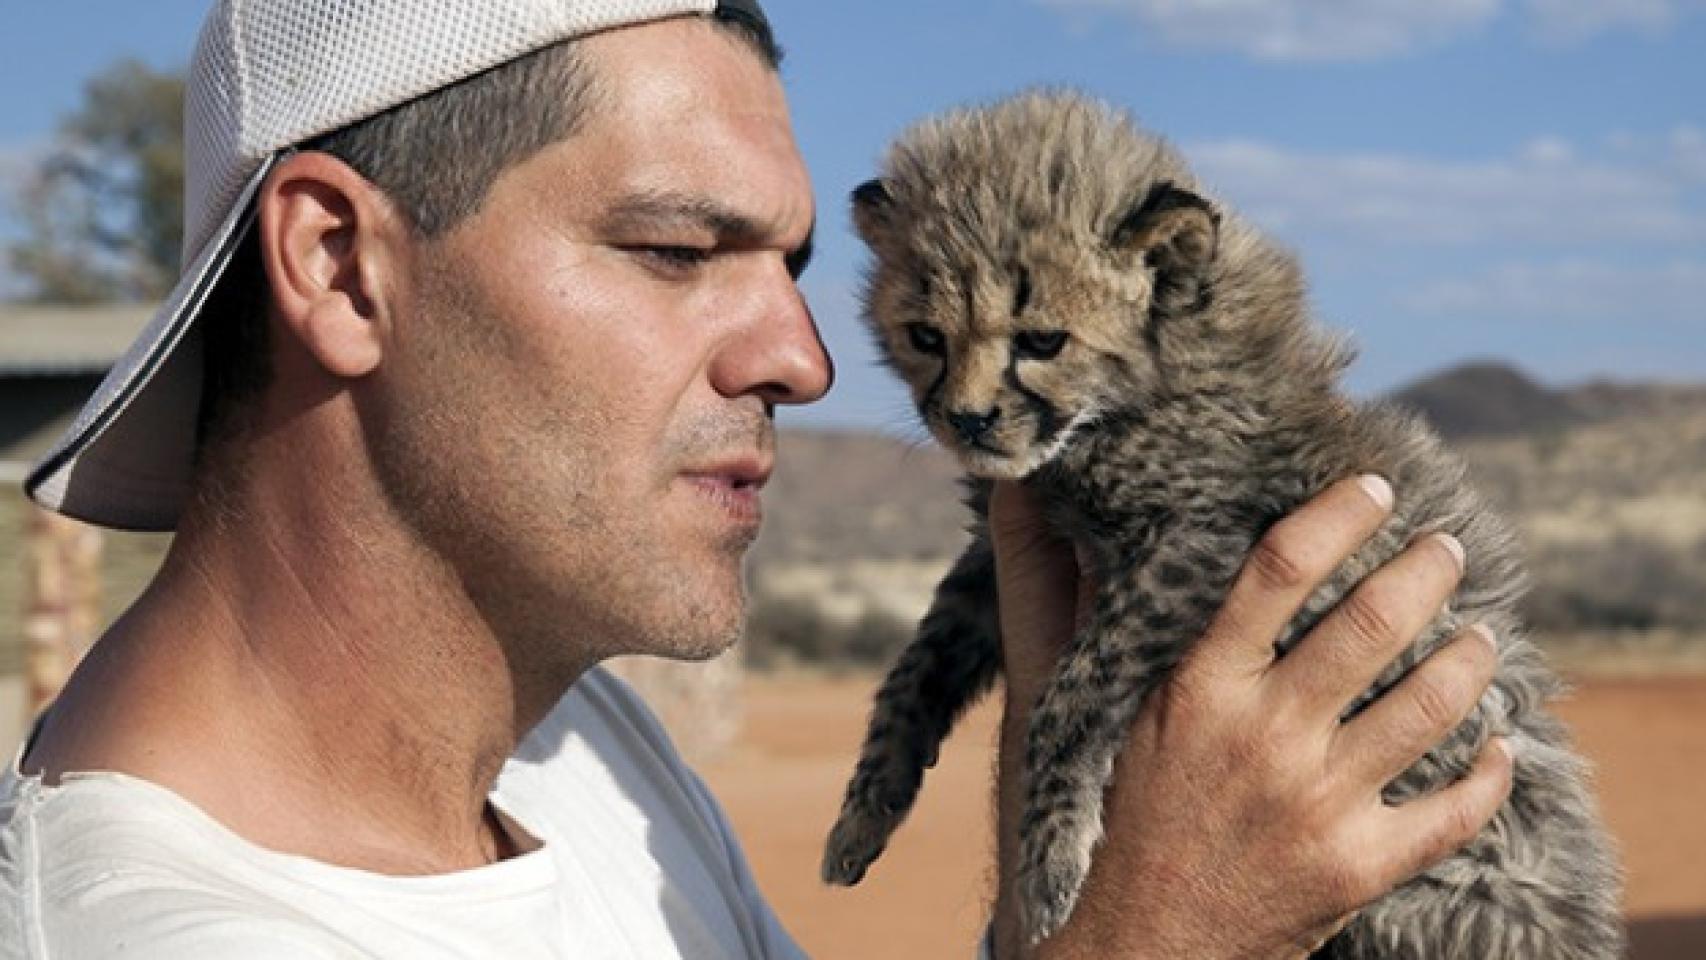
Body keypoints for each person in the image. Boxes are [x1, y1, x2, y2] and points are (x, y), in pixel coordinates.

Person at [1, 2, 1513, 957]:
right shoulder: (167, 933)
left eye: (793, 266)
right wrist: (1158, 942)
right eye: (676, 250)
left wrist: (1071, 897)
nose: (806, 359)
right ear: (339, 266)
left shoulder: (568, 746)